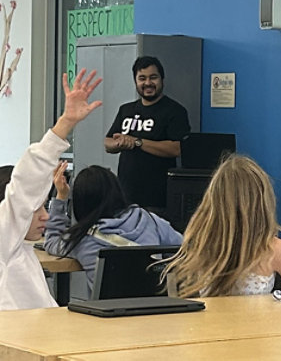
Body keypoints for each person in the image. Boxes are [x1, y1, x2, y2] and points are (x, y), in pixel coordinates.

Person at [0, 68, 102, 310]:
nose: (45, 216)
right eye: (35, 210)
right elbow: (25, 183)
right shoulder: (5, 242)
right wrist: (65, 123)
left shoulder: (22, 253)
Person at [162, 155, 281, 296]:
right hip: (257, 338)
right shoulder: (276, 250)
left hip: (212, 336)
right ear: (264, 202)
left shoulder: (201, 245)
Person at [43, 163, 182, 293]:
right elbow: (184, 246)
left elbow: (51, 242)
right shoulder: (147, 219)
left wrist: (61, 197)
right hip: (157, 312)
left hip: (108, 315)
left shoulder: (82, 239)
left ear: (80, 202)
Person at [104, 56, 190, 213]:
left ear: (162, 79)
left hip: (158, 200)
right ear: (135, 81)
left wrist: (138, 142)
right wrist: (120, 143)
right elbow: (107, 143)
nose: (148, 83)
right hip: (125, 197)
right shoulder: (126, 110)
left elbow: (177, 148)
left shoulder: (175, 111)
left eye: (153, 77)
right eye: (142, 78)